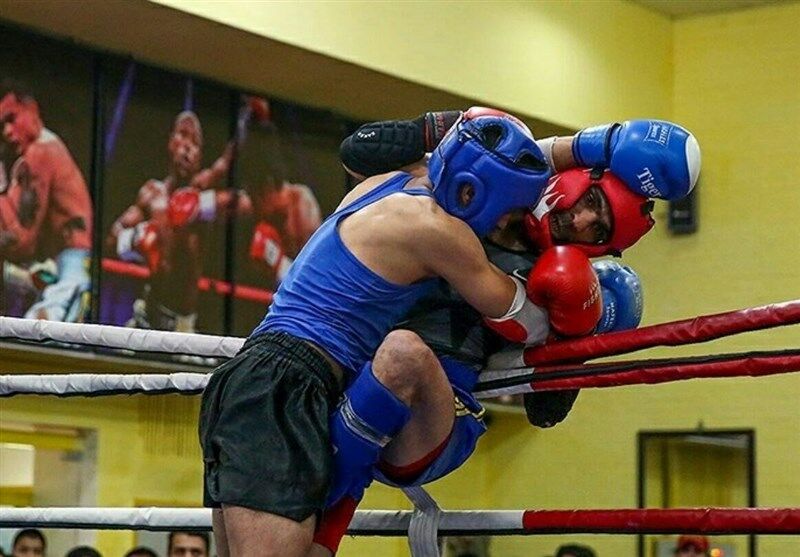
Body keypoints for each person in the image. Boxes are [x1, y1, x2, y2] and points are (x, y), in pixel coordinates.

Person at [310, 109, 699, 555]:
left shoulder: (559, 281)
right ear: (576, 178)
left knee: (400, 355)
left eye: (600, 229)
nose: (582, 222)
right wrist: (594, 144)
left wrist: (576, 329)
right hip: (358, 384)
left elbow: (545, 413)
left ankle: (324, 529)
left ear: (605, 249)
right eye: (591, 202)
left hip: (434, 421)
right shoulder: (479, 191)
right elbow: (358, 150)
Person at [199, 108, 582, 557]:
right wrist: (588, 294)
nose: (503, 227)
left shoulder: (384, 182)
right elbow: (526, 319)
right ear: (472, 192)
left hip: (262, 380)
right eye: (508, 212)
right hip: (287, 386)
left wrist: (588, 148)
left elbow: (489, 156)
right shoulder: (437, 229)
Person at [107, 110, 250, 332]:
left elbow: (242, 202)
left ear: (200, 157)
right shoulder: (151, 194)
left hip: (181, 325)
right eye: (183, 136)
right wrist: (135, 240)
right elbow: (112, 237)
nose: (187, 148)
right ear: (170, 142)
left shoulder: (203, 188)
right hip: (146, 312)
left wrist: (201, 205)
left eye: (195, 143)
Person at [0, 81, 93, 322]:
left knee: (30, 340)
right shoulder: (47, 148)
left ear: (31, 110)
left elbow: (21, 241)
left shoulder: (40, 153)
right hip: (55, 267)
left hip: (70, 269)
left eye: (12, 119)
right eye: (1, 126)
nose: (7, 132)